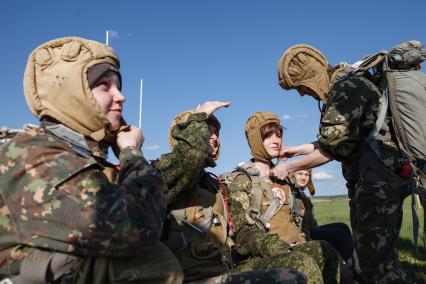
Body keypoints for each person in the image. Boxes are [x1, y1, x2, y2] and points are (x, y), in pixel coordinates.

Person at [0, 37, 183, 283]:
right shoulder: (38, 157)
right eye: (105, 86)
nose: (121, 97)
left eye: (118, 85)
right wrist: (131, 153)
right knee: (153, 264)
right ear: (72, 94)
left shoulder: (71, 152)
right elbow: (139, 225)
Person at [272, 43, 426, 283]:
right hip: (378, 181)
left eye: (300, 86)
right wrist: (298, 150)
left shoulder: (345, 89)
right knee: (382, 260)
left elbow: (330, 149)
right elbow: (338, 137)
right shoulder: (347, 85)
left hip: (377, 185)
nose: (302, 94)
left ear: (311, 76)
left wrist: (287, 167)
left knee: (376, 267)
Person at [155, 104, 310, 283]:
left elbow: (244, 231)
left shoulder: (218, 187)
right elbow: (187, 160)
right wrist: (198, 117)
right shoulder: (160, 178)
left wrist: (278, 248)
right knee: (290, 277)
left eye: (216, 133)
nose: (214, 138)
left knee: (302, 260)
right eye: (206, 131)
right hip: (187, 277)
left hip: (225, 270)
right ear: (185, 135)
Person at [222, 111, 344, 284]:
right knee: (302, 263)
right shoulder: (240, 181)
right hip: (260, 256)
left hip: (294, 246)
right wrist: (281, 249)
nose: (276, 140)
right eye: (268, 136)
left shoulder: (286, 177)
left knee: (325, 251)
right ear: (256, 140)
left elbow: (301, 218)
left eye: (278, 135)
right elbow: (244, 234)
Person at [290, 169, 363, 279]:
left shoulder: (302, 195)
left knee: (342, 226)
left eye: (307, 174)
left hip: (309, 230)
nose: (304, 177)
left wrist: (320, 231)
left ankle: (350, 262)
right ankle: (359, 273)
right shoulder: (290, 194)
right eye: (300, 174)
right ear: (292, 175)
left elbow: (311, 222)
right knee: (339, 235)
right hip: (300, 234)